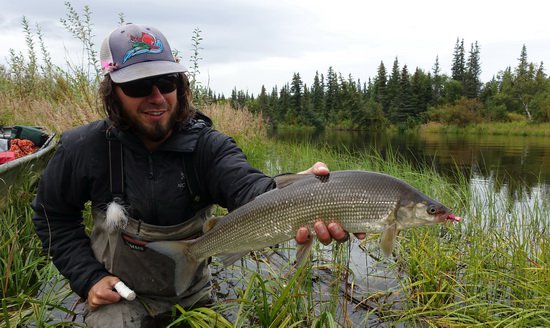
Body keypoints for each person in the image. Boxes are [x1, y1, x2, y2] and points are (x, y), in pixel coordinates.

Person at [32, 23, 362, 327]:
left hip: (191, 294)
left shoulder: (209, 148)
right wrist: (88, 277)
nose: (157, 97)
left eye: (166, 82)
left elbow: (249, 189)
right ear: (112, 91)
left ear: (181, 85)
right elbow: (53, 215)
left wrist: (300, 190)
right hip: (117, 290)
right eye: (138, 86)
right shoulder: (83, 148)